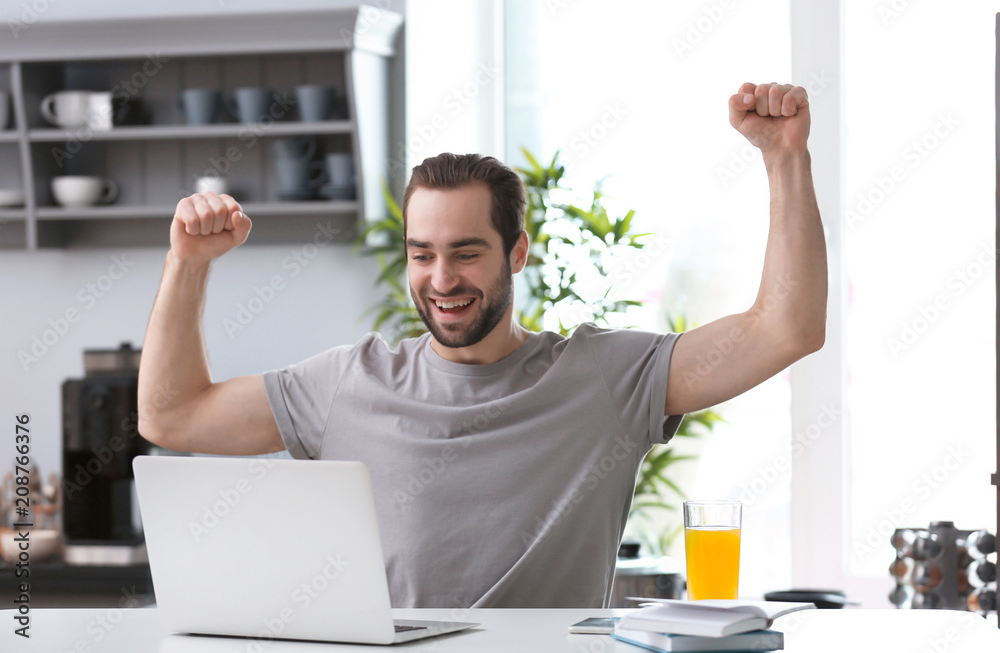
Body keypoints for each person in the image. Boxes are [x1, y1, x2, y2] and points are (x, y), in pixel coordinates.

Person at [138, 82, 826, 609]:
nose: (442, 280)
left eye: (466, 253)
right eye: (422, 254)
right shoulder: (349, 383)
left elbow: (785, 328)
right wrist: (187, 265)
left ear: (517, 252)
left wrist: (784, 157)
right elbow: (172, 416)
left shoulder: (606, 377)